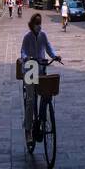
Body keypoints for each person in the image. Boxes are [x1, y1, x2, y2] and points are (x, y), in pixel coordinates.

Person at [20, 12, 62, 140]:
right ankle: (28, 130)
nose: (39, 26)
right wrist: (26, 58)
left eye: (40, 23)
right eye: (36, 23)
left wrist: (54, 56)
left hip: (41, 69)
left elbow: (48, 47)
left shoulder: (43, 35)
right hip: (30, 70)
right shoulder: (27, 37)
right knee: (31, 100)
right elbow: (23, 51)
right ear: (32, 25)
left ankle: (42, 119)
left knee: (46, 96)